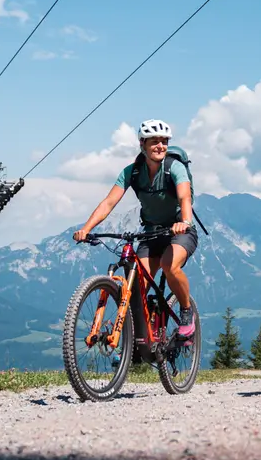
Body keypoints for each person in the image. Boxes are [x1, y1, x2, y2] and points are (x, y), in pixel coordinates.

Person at [73, 118, 197, 339]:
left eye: (164, 141)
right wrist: (86, 229)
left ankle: (186, 311)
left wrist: (185, 222)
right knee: (136, 288)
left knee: (169, 266)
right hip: (151, 233)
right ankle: (140, 341)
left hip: (179, 231)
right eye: (154, 142)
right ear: (142, 144)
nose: (160, 146)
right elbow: (108, 203)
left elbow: (184, 197)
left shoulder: (174, 168)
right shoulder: (132, 172)